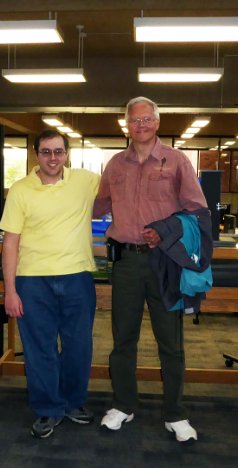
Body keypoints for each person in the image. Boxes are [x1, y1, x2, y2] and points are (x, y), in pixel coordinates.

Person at [93, 96, 209, 443]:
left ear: (157, 123)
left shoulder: (176, 162)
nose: (140, 126)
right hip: (126, 262)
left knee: (170, 343)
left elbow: (198, 212)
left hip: (164, 264)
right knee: (122, 339)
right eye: (134, 121)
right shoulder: (114, 165)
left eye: (146, 120)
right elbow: (97, 205)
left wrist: (167, 229)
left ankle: (175, 413)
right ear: (126, 125)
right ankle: (123, 404)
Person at [0, 129, 99, 439]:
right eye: (46, 152)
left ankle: (73, 402)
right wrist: (10, 290)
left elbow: (126, 187)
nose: (52, 158)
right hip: (32, 281)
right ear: (36, 154)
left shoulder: (86, 181)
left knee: (78, 346)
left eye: (58, 151)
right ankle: (48, 408)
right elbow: (10, 243)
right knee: (39, 349)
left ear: (67, 153)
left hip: (77, 277)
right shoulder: (20, 190)